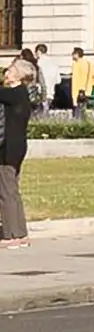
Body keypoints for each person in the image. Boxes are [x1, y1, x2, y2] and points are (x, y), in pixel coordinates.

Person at [0, 59, 35, 248]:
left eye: (11, 70)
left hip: (8, 148)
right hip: (18, 146)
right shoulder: (21, 94)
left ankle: (10, 235)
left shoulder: (15, 93)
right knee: (12, 191)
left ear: (19, 75)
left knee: (5, 191)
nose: (7, 72)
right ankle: (20, 234)